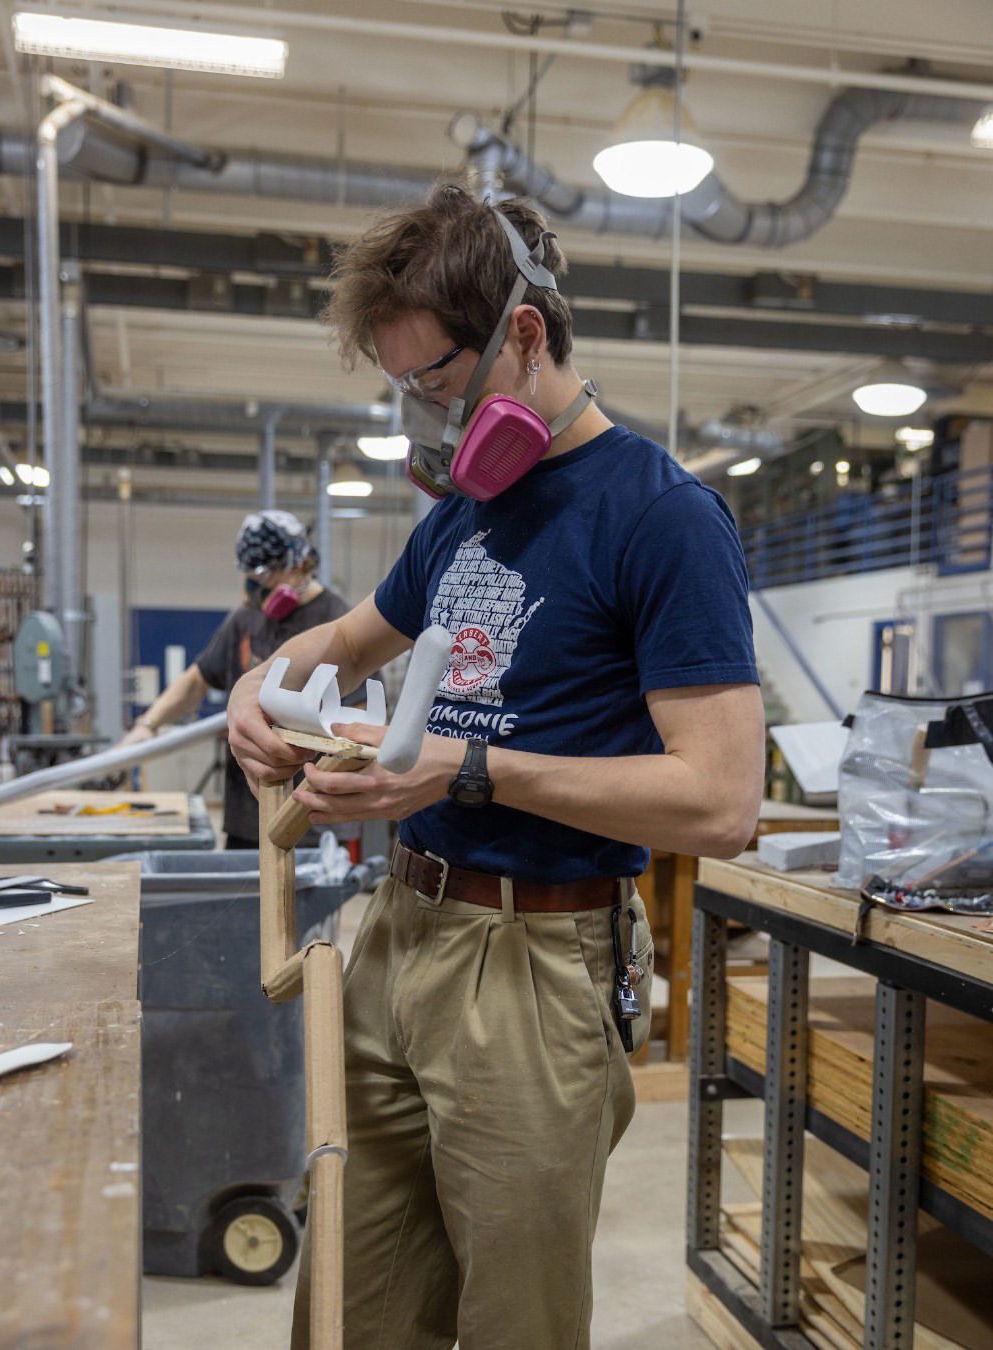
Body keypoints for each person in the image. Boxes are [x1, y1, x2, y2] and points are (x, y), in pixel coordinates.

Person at [226, 181, 765, 1350]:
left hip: (532, 963)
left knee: (517, 1321)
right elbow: (342, 641)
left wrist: (468, 769)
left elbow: (722, 803)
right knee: (353, 1308)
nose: (422, 418)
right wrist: (253, 691)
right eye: (404, 390)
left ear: (524, 332)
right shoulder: (459, 521)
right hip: (397, 935)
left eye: (435, 384)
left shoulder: (662, 516)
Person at [121, 508, 350, 848]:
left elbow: (356, 719)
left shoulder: (338, 622)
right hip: (247, 815)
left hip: (310, 816)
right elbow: (197, 680)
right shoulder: (246, 619)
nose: (253, 590)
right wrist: (148, 725)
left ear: (298, 564)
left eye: (263, 578)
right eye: (249, 578)